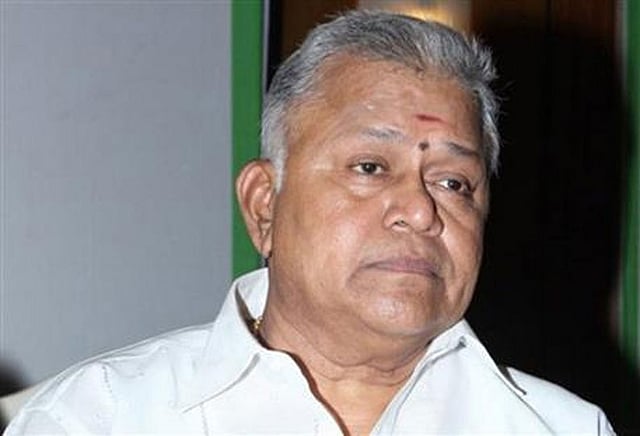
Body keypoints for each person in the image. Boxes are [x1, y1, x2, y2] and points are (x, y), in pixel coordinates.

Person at [6, 10, 614, 435]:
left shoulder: (561, 427)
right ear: (264, 205)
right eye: (370, 167)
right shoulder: (100, 419)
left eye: (454, 183)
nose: (420, 210)